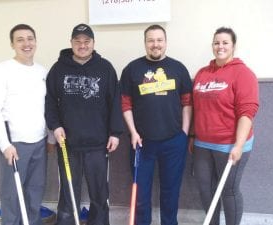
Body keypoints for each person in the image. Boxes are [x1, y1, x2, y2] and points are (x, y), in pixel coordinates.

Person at [45, 23, 123, 225]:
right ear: (71, 43)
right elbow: (51, 101)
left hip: (98, 145)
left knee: (99, 194)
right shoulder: (58, 69)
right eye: (77, 41)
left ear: (93, 43)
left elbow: (115, 102)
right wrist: (55, 126)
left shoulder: (105, 68)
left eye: (86, 41)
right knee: (69, 193)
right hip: (67, 145)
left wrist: (115, 133)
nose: (82, 45)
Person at [120, 24, 193, 225]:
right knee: (141, 195)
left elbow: (187, 102)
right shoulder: (132, 69)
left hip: (173, 142)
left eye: (159, 40)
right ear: (145, 43)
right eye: (151, 40)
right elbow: (125, 103)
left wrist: (184, 133)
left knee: (171, 193)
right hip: (141, 144)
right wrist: (133, 132)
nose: (155, 44)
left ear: (165, 42)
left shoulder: (178, 68)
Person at [189, 27, 259, 225]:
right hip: (203, 144)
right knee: (206, 190)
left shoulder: (243, 74)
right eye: (216, 42)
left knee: (228, 190)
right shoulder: (202, 73)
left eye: (225, 42)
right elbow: (197, 107)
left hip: (230, 144)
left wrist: (238, 145)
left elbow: (247, 112)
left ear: (233, 46)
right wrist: (193, 136)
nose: (220, 46)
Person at [0, 24, 49, 225]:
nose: (26, 43)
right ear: (12, 44)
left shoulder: (42, 71)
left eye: (30, 38)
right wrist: (5, 145)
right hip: (15, 145)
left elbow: (47, 108)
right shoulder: (2, 70)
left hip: (39, 142)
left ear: (36, 42)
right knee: (12, 197)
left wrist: (49, 138)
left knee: (35, 192)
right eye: (20, 39)